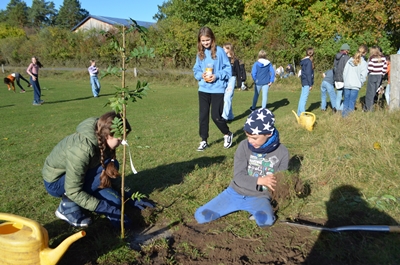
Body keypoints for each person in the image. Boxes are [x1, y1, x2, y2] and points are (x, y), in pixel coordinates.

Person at [42, 111, 153, 228]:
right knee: (106, 167)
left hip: (83, 175)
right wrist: (106, 209)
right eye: (120, 139)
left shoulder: (103, 139)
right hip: (57, 182)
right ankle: (67, 207)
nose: (122, 143)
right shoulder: (82, 149)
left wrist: (129, 197)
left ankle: (91, 195)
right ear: (107, 135)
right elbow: (73, 190)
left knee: (116, 200)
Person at [194, 108, 289, 227]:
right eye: (248, 136)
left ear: (268, 133)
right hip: (235, 192)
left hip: (260, 196)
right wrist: (260, 180)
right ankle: (238, 206)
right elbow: (238, 177)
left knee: (266, 221)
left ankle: (256, 210)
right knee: (201, 216)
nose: (250, 141)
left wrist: (283, 185)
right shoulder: (243, 146)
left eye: (254, 138)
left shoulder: (282, 152)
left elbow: (281, 180)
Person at [193, 27, 233, 151]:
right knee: (203, 116)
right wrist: (201, 75)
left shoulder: (220, 51)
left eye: (207, 40)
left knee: (216, 116)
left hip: (217, 89)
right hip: (203, 89)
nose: (205, 43)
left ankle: (227, 134)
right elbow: (196, 70)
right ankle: (203, 140)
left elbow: (228, 70)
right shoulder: (200, 54)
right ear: (200, 41)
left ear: (212, 39)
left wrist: (216, 76)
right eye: (203, 41)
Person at [342, 45, 368, 117]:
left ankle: (344, 117)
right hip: (355, 85)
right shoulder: (364, 63)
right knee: (351, 102)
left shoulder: (350, 60)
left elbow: (344, 72)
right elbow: (363, 75)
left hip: (347, 84)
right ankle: (350, 118)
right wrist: (361, 83)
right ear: (365, 53)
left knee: (346, 101)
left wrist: (345, 80)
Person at [364, 46, 387, 112]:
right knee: (374, 92)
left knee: (369, 93)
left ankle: (368, 108)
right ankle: (370, 107)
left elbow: (370, 68)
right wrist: (381, 74)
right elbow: (384, 68)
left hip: (372, 76)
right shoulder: (383, 58)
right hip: (379, 76)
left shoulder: (372, 58)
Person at [222, 43, 240, 121]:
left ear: (229, 49)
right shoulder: (222, 58)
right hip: (224, 78)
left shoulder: (235, 60)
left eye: (224, 49)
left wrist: (239, 83)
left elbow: (238, 71)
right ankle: (230, 116)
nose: (223, 50)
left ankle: (224, 116)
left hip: (232, 79)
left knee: (227, 97)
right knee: (226, 98)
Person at [296, 47, 314, 116]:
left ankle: (299, 113)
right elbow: (309, 74)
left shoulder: (304, 61)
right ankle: (303, 115)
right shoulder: (308, 62)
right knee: (304, 99)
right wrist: (310, 84)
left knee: (302, 98)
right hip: (307, 82)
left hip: (303, 81)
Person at [333, 43, 351, 112]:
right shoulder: (347, 58)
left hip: (337, 78)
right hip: (343, 78)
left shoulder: (337, 57)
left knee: (339, 94)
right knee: (346, 95)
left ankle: (337, 108)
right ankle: (341, 108)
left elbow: (335, 68)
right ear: (346, 50)